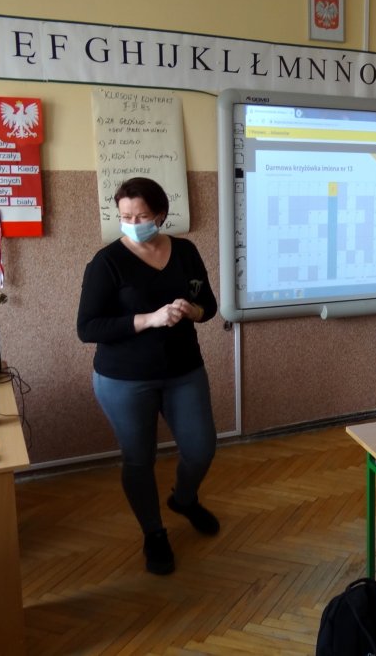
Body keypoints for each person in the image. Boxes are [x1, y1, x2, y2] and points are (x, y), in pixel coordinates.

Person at [77, 177, 220, 575]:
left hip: (184, 371)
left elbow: (208, 305)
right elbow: (87, 328)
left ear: (160, 215)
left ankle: (184, 499)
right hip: (124, 379)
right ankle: (154, 532)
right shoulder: (106, 262)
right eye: (125, 216)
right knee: (139, 459)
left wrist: (193, 311)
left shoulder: (186, 251)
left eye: (141, 216)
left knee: (201, 449)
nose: (132, 223)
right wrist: (148, 319)